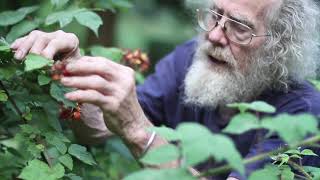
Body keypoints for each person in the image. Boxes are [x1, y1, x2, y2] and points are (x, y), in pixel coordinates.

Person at [10, 0, 320, 179]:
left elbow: (131, 126)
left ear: (280, 47)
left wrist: (137, 131)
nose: (213, 35)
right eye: (214, 14)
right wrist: (77, 75)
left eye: (239, 27)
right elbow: (98, 130)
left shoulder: (302, 115)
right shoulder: (191, 60)